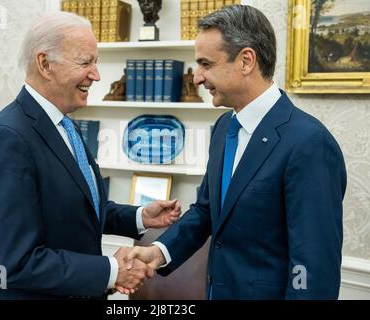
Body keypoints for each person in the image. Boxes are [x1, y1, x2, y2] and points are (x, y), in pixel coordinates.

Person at [124, 5, 346, 299]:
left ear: (246, 60)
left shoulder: (309, 143)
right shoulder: (223, 127)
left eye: (206, 64)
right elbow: (207, 211)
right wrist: (158, 252)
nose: (197, 78)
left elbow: (314, 267)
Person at [0, 12, 181, 300]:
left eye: (96, 61)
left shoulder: (65, 126)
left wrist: (141, 217)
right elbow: (13, 264)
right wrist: (112, 270)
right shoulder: (5, 139)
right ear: (45, 64)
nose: (96, 74)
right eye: (85, 62)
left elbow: (77, 210)